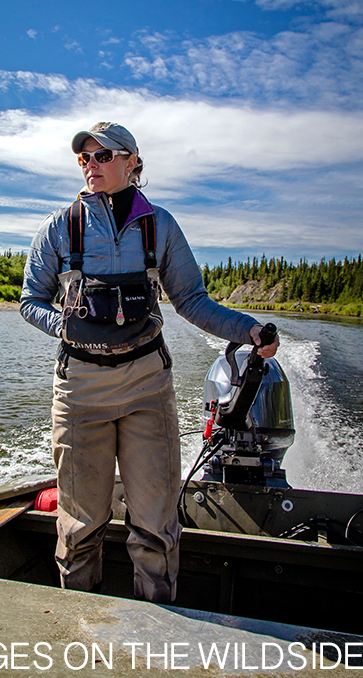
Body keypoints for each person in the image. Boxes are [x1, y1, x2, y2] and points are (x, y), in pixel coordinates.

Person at [20, 122, 279, 603]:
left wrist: (249, 330)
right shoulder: (60, 225)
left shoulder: (160, 225)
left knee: (156, 526)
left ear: (131, 162)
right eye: (84, 158)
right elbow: (30, 300)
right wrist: (67, 326)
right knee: (80, 527)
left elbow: (193, 301)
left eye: (102, 156)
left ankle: (157, 624)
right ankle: (79, 624)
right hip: (79, 388)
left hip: (146, 385)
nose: (90, 165)